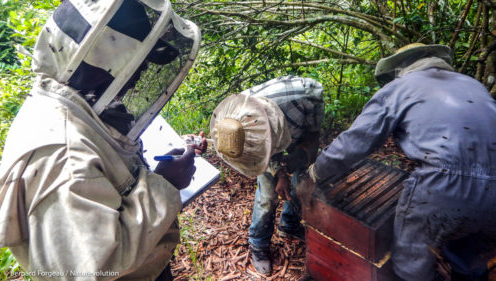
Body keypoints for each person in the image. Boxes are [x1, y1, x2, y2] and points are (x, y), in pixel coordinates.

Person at [0, 0, 203, 280]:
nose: (140, 74)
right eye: (137, 64)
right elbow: (90, 268)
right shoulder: (63, 156)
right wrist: (164, 185)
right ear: (101, 63)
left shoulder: (68, 101)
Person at [307, 43, 496, 281]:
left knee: (410, 266)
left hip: (446, 184)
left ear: (401, 67)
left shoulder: (400, 87)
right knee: (470, 257)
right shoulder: (472, 84)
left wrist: (316, 171)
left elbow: (355, 141)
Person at [209, 76, 324, 275]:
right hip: (263, 138)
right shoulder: (233, 130)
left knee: (301, 180)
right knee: (268, 195)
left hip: (299, 127)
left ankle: (289, 224)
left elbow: (314, 135)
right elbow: (261, 158)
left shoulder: (303, 99)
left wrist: (306, 156)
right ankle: (259, 245)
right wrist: (278, 173)